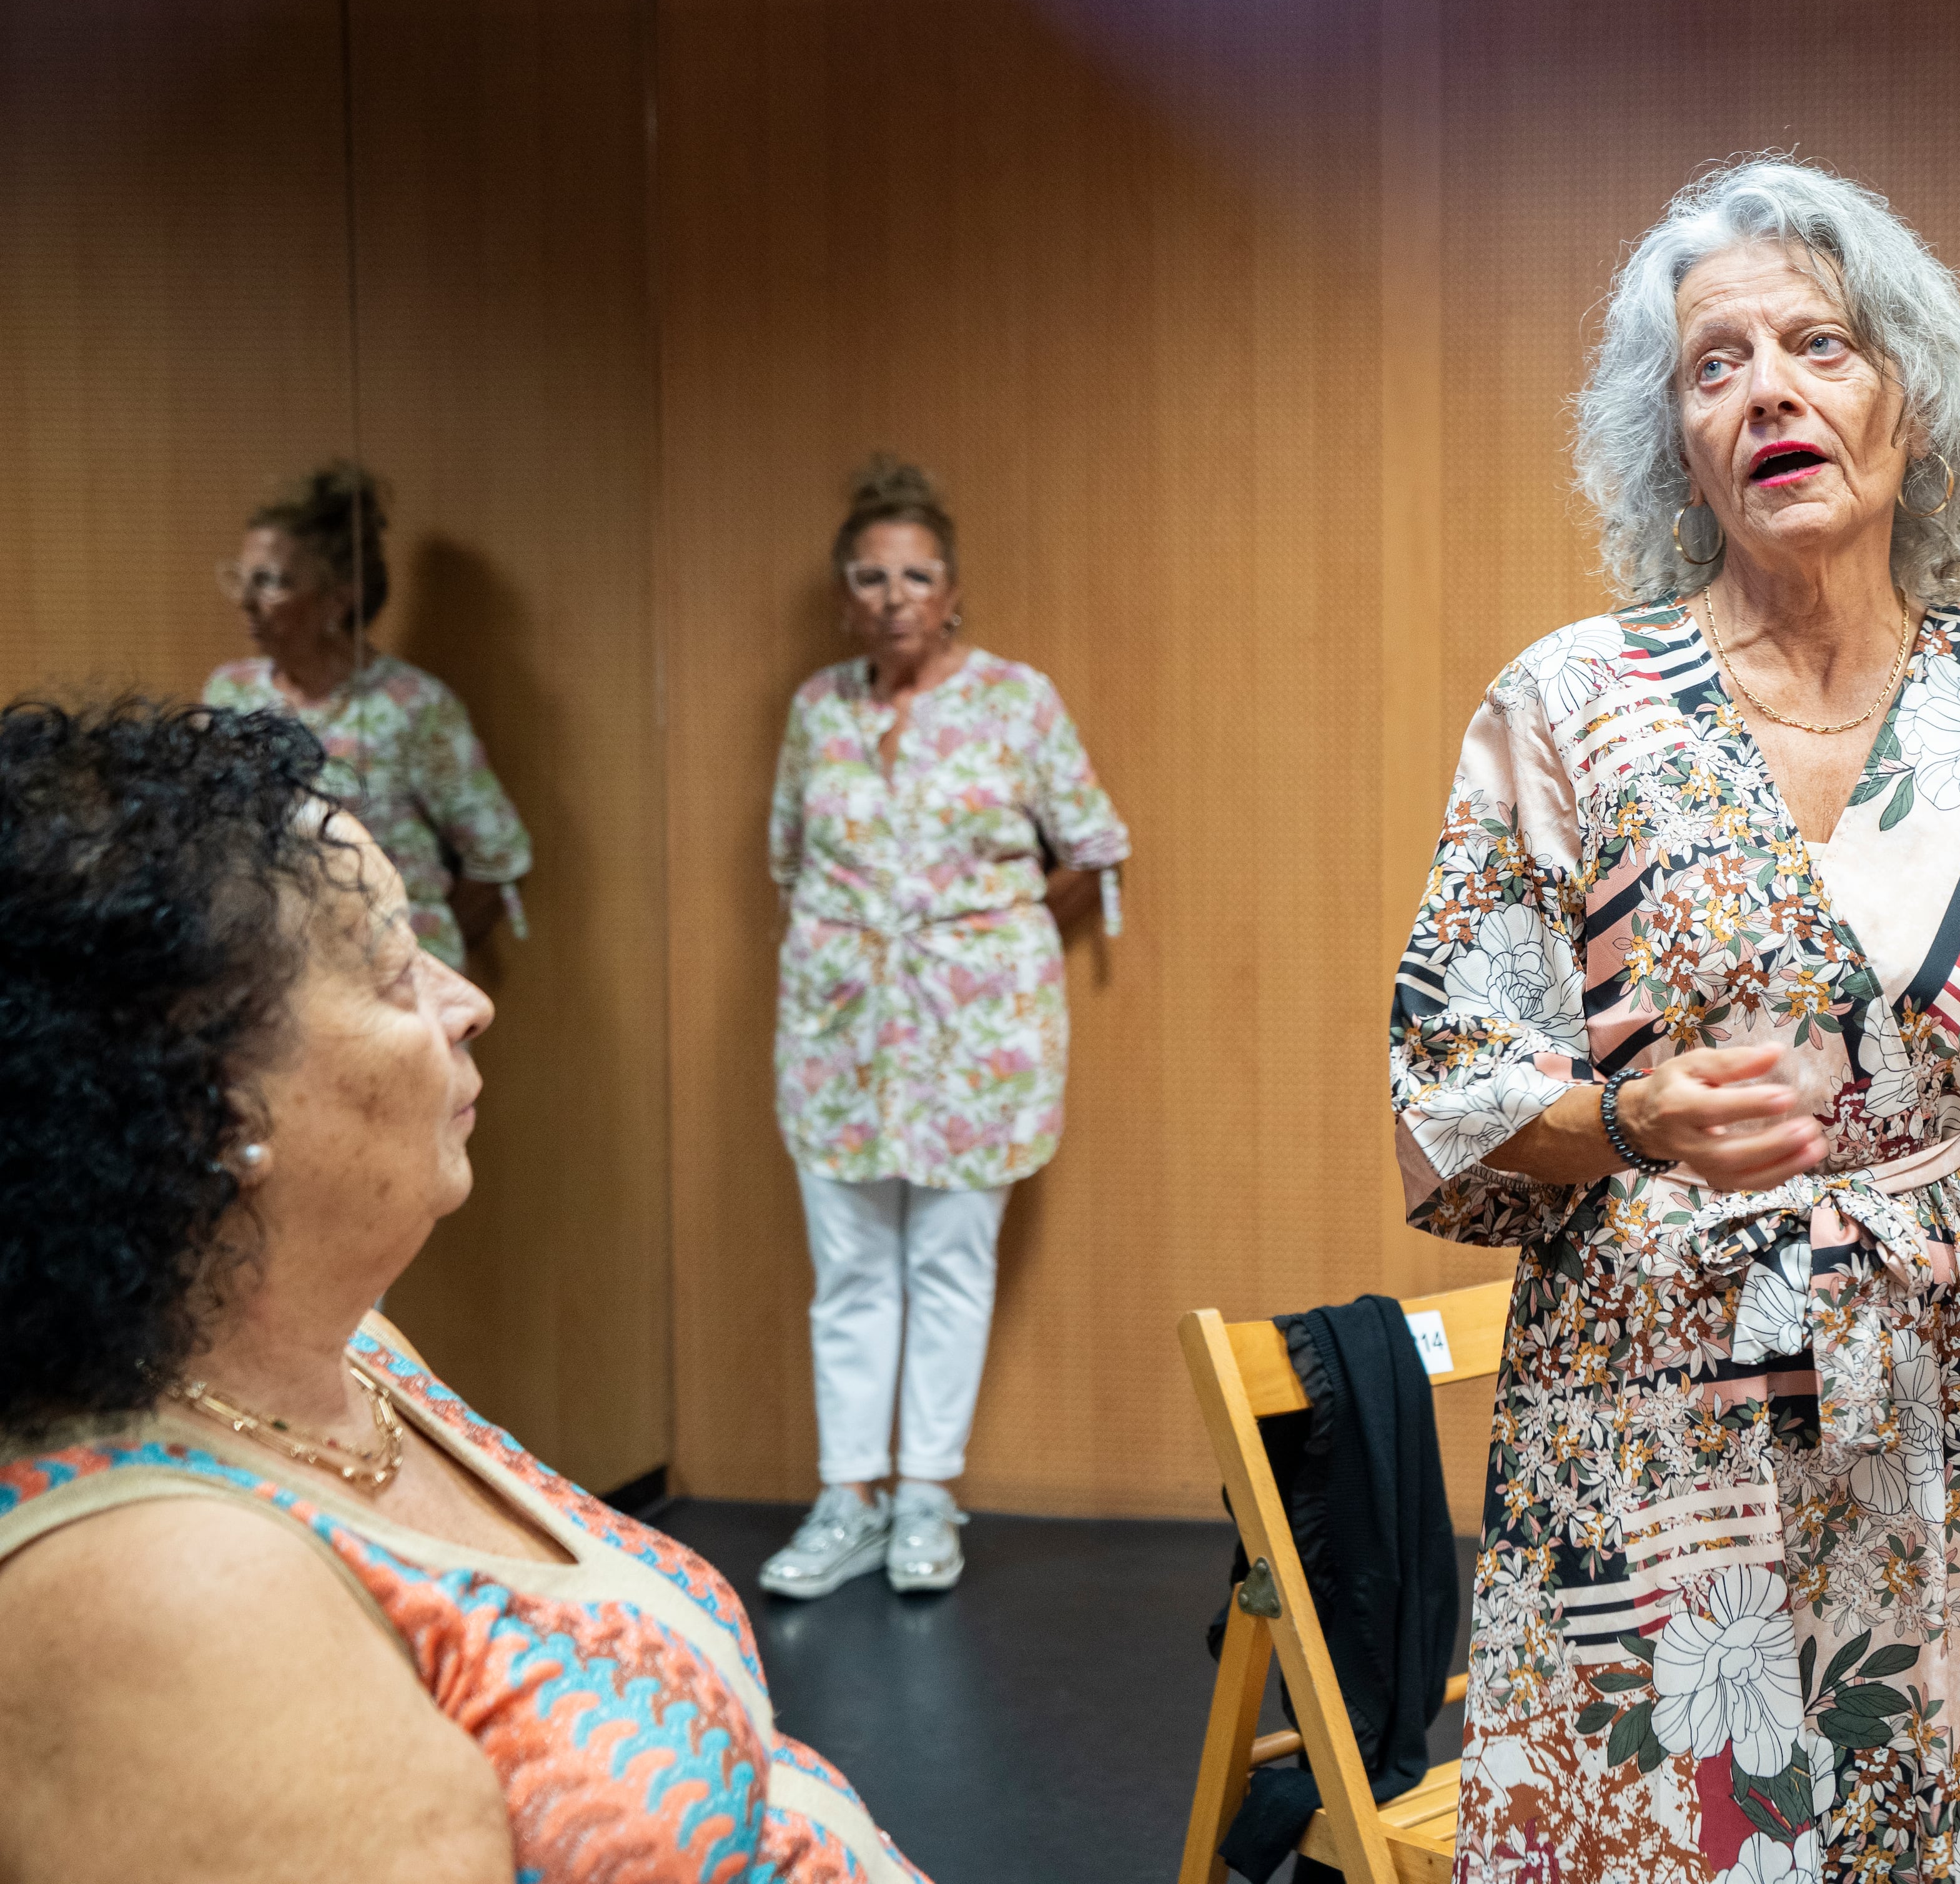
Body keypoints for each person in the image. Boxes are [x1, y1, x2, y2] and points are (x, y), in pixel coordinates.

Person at [1392, 158, 1960, 1884]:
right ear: (1677, 447)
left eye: (1819, 344)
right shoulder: (1575, 707)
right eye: (1715, 362)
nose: (1767, 385)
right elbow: (1449, 1080)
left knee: (1915, 1824)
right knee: (1645, 1834)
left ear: (1910, 402)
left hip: (1940, 1383)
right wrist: (1634, 1118)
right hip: (1646, 1392)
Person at [0, 699, 925, 1883]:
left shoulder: (351, 1357)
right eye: (394, 973)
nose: (465, 1000)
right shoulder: (171, 1595)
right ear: (222, 1112)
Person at [758, 457, 1130, 1602]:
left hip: (979, 1037)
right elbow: (789, 856)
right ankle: (847, 1497)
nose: (892, 594)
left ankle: (925, 1494)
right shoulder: (818, 709)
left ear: (952, 588)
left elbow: (1095, 844)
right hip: (839, 1032)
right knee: (851, 1268)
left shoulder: (1017, 699)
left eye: (915, 574)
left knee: (950, 1262)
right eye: (868, 576)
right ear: (843, 597)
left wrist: (1000, 935)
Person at [204, 460, 532, 970]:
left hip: (392, 981)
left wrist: (421, 956)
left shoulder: (411, 705)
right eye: (241, 579)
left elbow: (495, 854)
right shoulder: (231, 693)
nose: (246, 602)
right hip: (273, 982)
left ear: (338, 599)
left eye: (270, 582)